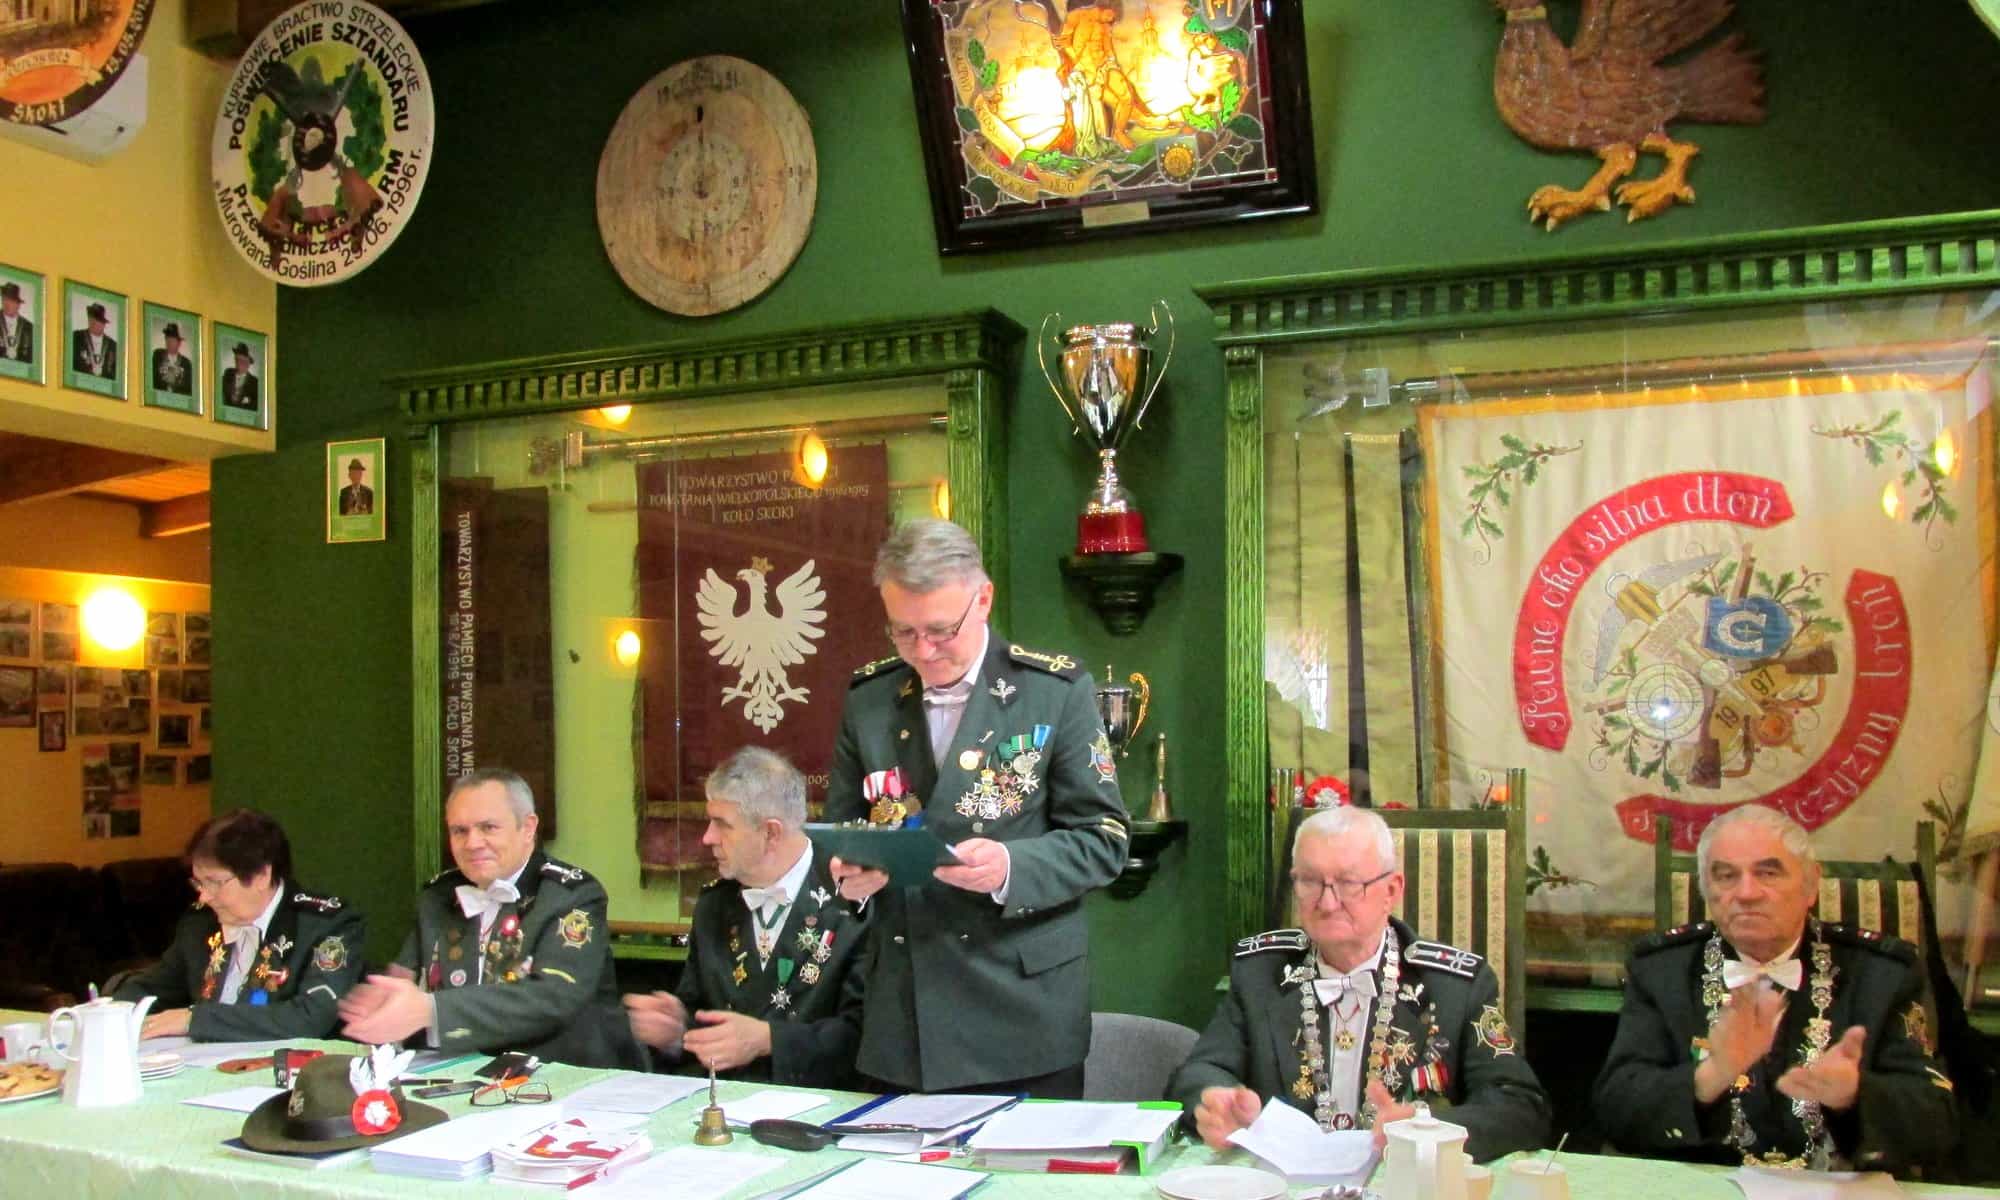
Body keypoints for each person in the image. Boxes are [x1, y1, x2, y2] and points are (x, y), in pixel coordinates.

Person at [824, 518, 1128, 1097]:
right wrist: (850, 878)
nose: (923, 650)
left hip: (1021, 1016)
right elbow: (842, 832)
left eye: (941, 630)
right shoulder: (869, 699)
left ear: (983, 599)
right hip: (904, 1018)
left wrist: (1010, 867)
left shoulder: (1053, 692)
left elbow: (1104, 839)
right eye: (903, 632)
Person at [1168, 806, 1551, 1161]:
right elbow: (1199, 1072)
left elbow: (1521, 1108)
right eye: (1310, 881)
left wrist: (1430, 1129)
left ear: (1392, 890)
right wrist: (1215, 1100)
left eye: (1349, 883)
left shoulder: (1456, 987)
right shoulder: (1260, 973)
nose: (1327, 903)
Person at [1593, 804, 1957, 1173]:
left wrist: (1855, 1095)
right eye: (1726, 876)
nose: (1747, 892)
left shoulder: (1882, 974)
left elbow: (1938, 1124)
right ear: (1706, 890)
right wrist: (1710, 1076)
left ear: (1811, 884)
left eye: (1768, 873)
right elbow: (1615, 1108)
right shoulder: (1661, 971)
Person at [338, 768, 620, 1065]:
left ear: (528, 828)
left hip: (567, 1073)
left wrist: (431, 1011)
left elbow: (554, 998)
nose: (472, 843)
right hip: (462, 1068)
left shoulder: (570, 894)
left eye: (488, 827)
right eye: (459, 831)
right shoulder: (438, 897)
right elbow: (404, 979)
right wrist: (385, 1003)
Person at [625, 747, 869, 1086]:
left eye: (722, 825)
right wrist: (677, 1029)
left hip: (824, 1102)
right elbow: (703, 1016)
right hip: (725, 1100)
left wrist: (770, 1040)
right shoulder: (714, 906)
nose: (707, 838)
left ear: (771, 833)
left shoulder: (854, 897)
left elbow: (865, 1034)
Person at [112, 809, 364, 1041]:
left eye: (215, 882)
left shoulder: (327, 926)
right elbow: (150, 987)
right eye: (199, 883)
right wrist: (110, 1015)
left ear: (262, 876)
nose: (204, 896)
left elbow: (310, 1017)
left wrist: (193, 1020)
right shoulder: (200, 923)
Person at [71, 301, 116, 379]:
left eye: (97, 319)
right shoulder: (76, 337)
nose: (93, 322)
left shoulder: (113, 345)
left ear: (104, 324)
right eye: (91, 318)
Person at [151, 322, 192, 395]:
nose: (169, 342)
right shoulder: (157, 355)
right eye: (167, 339)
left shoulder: (186, 363)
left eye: (172, 340)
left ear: (179, 343)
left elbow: (188, 390)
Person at [221, 342, 259, 409]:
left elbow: (255, 404)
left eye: (242, 361)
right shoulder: (228, 373)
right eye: (237, 359)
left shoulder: (254, 382)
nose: (238, 363)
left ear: (248, 364)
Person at [1, 281, 32, 363]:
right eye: (5, 299)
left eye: (11, 300)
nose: (7, 303)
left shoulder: (29, 327)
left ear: (18, 304)